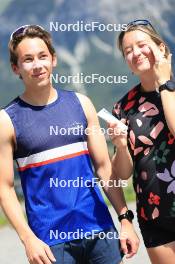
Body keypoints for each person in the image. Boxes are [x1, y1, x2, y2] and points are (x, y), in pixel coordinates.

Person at [0, 25, 139, 264]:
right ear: (16, 68)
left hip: (99, 231)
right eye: (28, 60)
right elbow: (4, 188)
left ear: (53, 59)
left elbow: (104, 167)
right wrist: (27, 239)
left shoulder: (82, 104)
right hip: (50, 242)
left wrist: (125, 218)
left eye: (43, 56)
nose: (37, 65)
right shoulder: (6, 120)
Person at [109, 19, 175, 264]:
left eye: (141, 45)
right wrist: (120, 145)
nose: (135, 53)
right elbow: (123, 174)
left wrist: (165, 83)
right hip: (153, 214)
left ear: (161, 48)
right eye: (128, 51)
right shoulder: (123, 107)